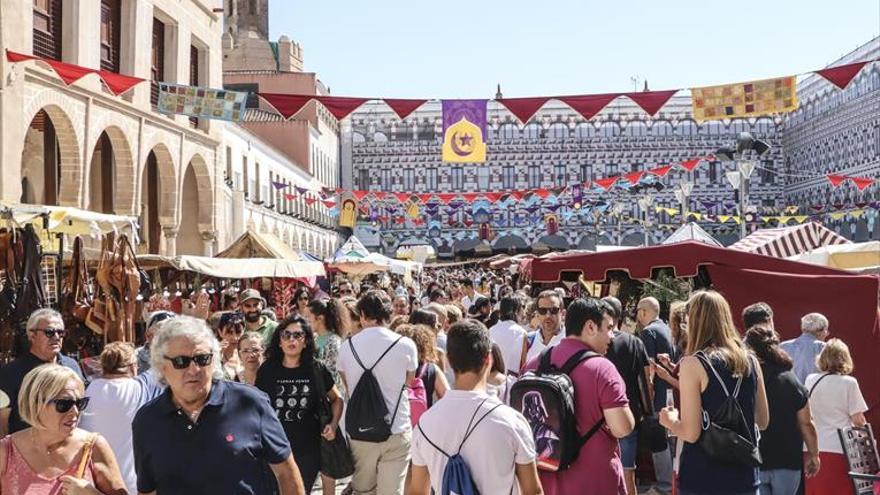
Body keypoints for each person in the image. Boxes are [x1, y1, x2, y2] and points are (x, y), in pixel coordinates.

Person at [132, 316, 306, 494]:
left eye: (202, 359)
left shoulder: (251, 402)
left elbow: (286, 472)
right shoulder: (147, 421)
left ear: (213, 359)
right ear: (162, 367)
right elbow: (147, 490)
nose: (193, 370)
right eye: (181, 362)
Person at [409, 319, 543, 495]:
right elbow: (532, 491)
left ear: (448, 360)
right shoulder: (512, 422)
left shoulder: (425, 422)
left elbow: (418, 491)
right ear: (489, 358)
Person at [659, 291, 770, 495]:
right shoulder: (751, 361)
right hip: (744, 475)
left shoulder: (693, 364)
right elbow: (762, 421)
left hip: (702, 477)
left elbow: (691, 433)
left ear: (694, 321)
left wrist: (670, 420)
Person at [522, 298, 635, 495]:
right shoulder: (603, 369)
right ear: (590, 327)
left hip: (545, 480)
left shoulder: (534, 364)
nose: (612, 336)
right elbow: (622, 427)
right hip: (594, 482)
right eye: (608, 328)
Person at [0, 363, 127, 494]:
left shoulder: (92, 447)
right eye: (64, 404)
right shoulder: (6, 452)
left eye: (80, 403)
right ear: (36, 404)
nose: (75, 412)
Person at [338, 290, 418, 495]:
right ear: (388, 314)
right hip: (397, 427)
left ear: (362, 315)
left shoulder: (347, 347)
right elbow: (408, 382)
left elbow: (348, 386)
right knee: (391, 492)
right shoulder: (406, 345)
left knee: (363, 490)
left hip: (360, 429)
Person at [257, 315, 344, 493]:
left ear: (306, 342)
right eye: (286, 335)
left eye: (298, 335)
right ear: (279, 341)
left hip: (308, 450)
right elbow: (257, 406)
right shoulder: (267, 370)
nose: (291, 339)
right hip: (274, 447)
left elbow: (337, 399)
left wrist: (333, 425)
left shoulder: (316, 369)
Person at [743, 325, 820, 495]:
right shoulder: (790, 380)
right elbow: (806, 423)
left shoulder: (745, 379)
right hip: (787, 460)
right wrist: (814, 454)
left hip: (755, 458)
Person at [80, 342, 164, 495]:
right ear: (133, 366)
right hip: (134, 485)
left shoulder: (87, 391)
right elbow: (159, 368)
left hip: (95, 484)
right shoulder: (141, 388)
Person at [0, 308, 84, 435]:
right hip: (27, 449)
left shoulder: (71, 366)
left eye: (60, 332)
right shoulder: (10, 372)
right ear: (31, 335)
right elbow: (2, 420)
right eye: (49, 332)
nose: (56, 337)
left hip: (66, 446)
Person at [803, 338, 867, 495]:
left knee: (816, 490)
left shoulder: (810, 379)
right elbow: (858, 420)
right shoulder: (849, 383)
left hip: (812, 447)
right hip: (840, 447)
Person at [602, 296, 651, 495]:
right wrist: (647, 411)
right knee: (627, 472)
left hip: (600, 416)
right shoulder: (634, 342)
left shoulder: (594, 343)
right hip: (628, 414)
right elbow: (645, 381)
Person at [636, 296, 675, 494]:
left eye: (638, 312)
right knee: (668, 441)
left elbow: (648, 367)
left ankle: (664, 486)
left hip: (657, 398)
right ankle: (670, 483)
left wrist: (647, 398)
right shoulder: (668, 329)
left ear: (644, 312)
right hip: (670, 395)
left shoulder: (648, 332)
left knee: (659, 443)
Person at [394, 324, 448, 407]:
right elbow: (446, 396)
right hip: (424, 417)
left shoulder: (393, 366)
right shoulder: (432, 369)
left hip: (395, 416)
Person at [780, 313, 829, 384]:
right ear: (819, 331)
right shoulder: (823, 347)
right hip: (814, 392)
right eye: (826, 330)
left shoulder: (783, 346)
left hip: (787, 392)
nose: (826, 334)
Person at [489, 296, 529, 376]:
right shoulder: (522, 332)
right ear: (516, 311)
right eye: (522, 308)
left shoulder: (491, 330)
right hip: (512, 380)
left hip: (493, 379)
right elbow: (525, 362)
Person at [526, 290, 566, 362]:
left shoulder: (570, 341)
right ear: (537, 314)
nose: (548, 315)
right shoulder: (527, 342)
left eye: (553, 310)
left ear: (563, 314)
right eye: (543, 311)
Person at [218, 311, 246, 380]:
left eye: (238, 332)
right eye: (229, 332)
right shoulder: (213, 355)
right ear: (220, 332)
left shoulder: (248, 352)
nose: (235, 337)